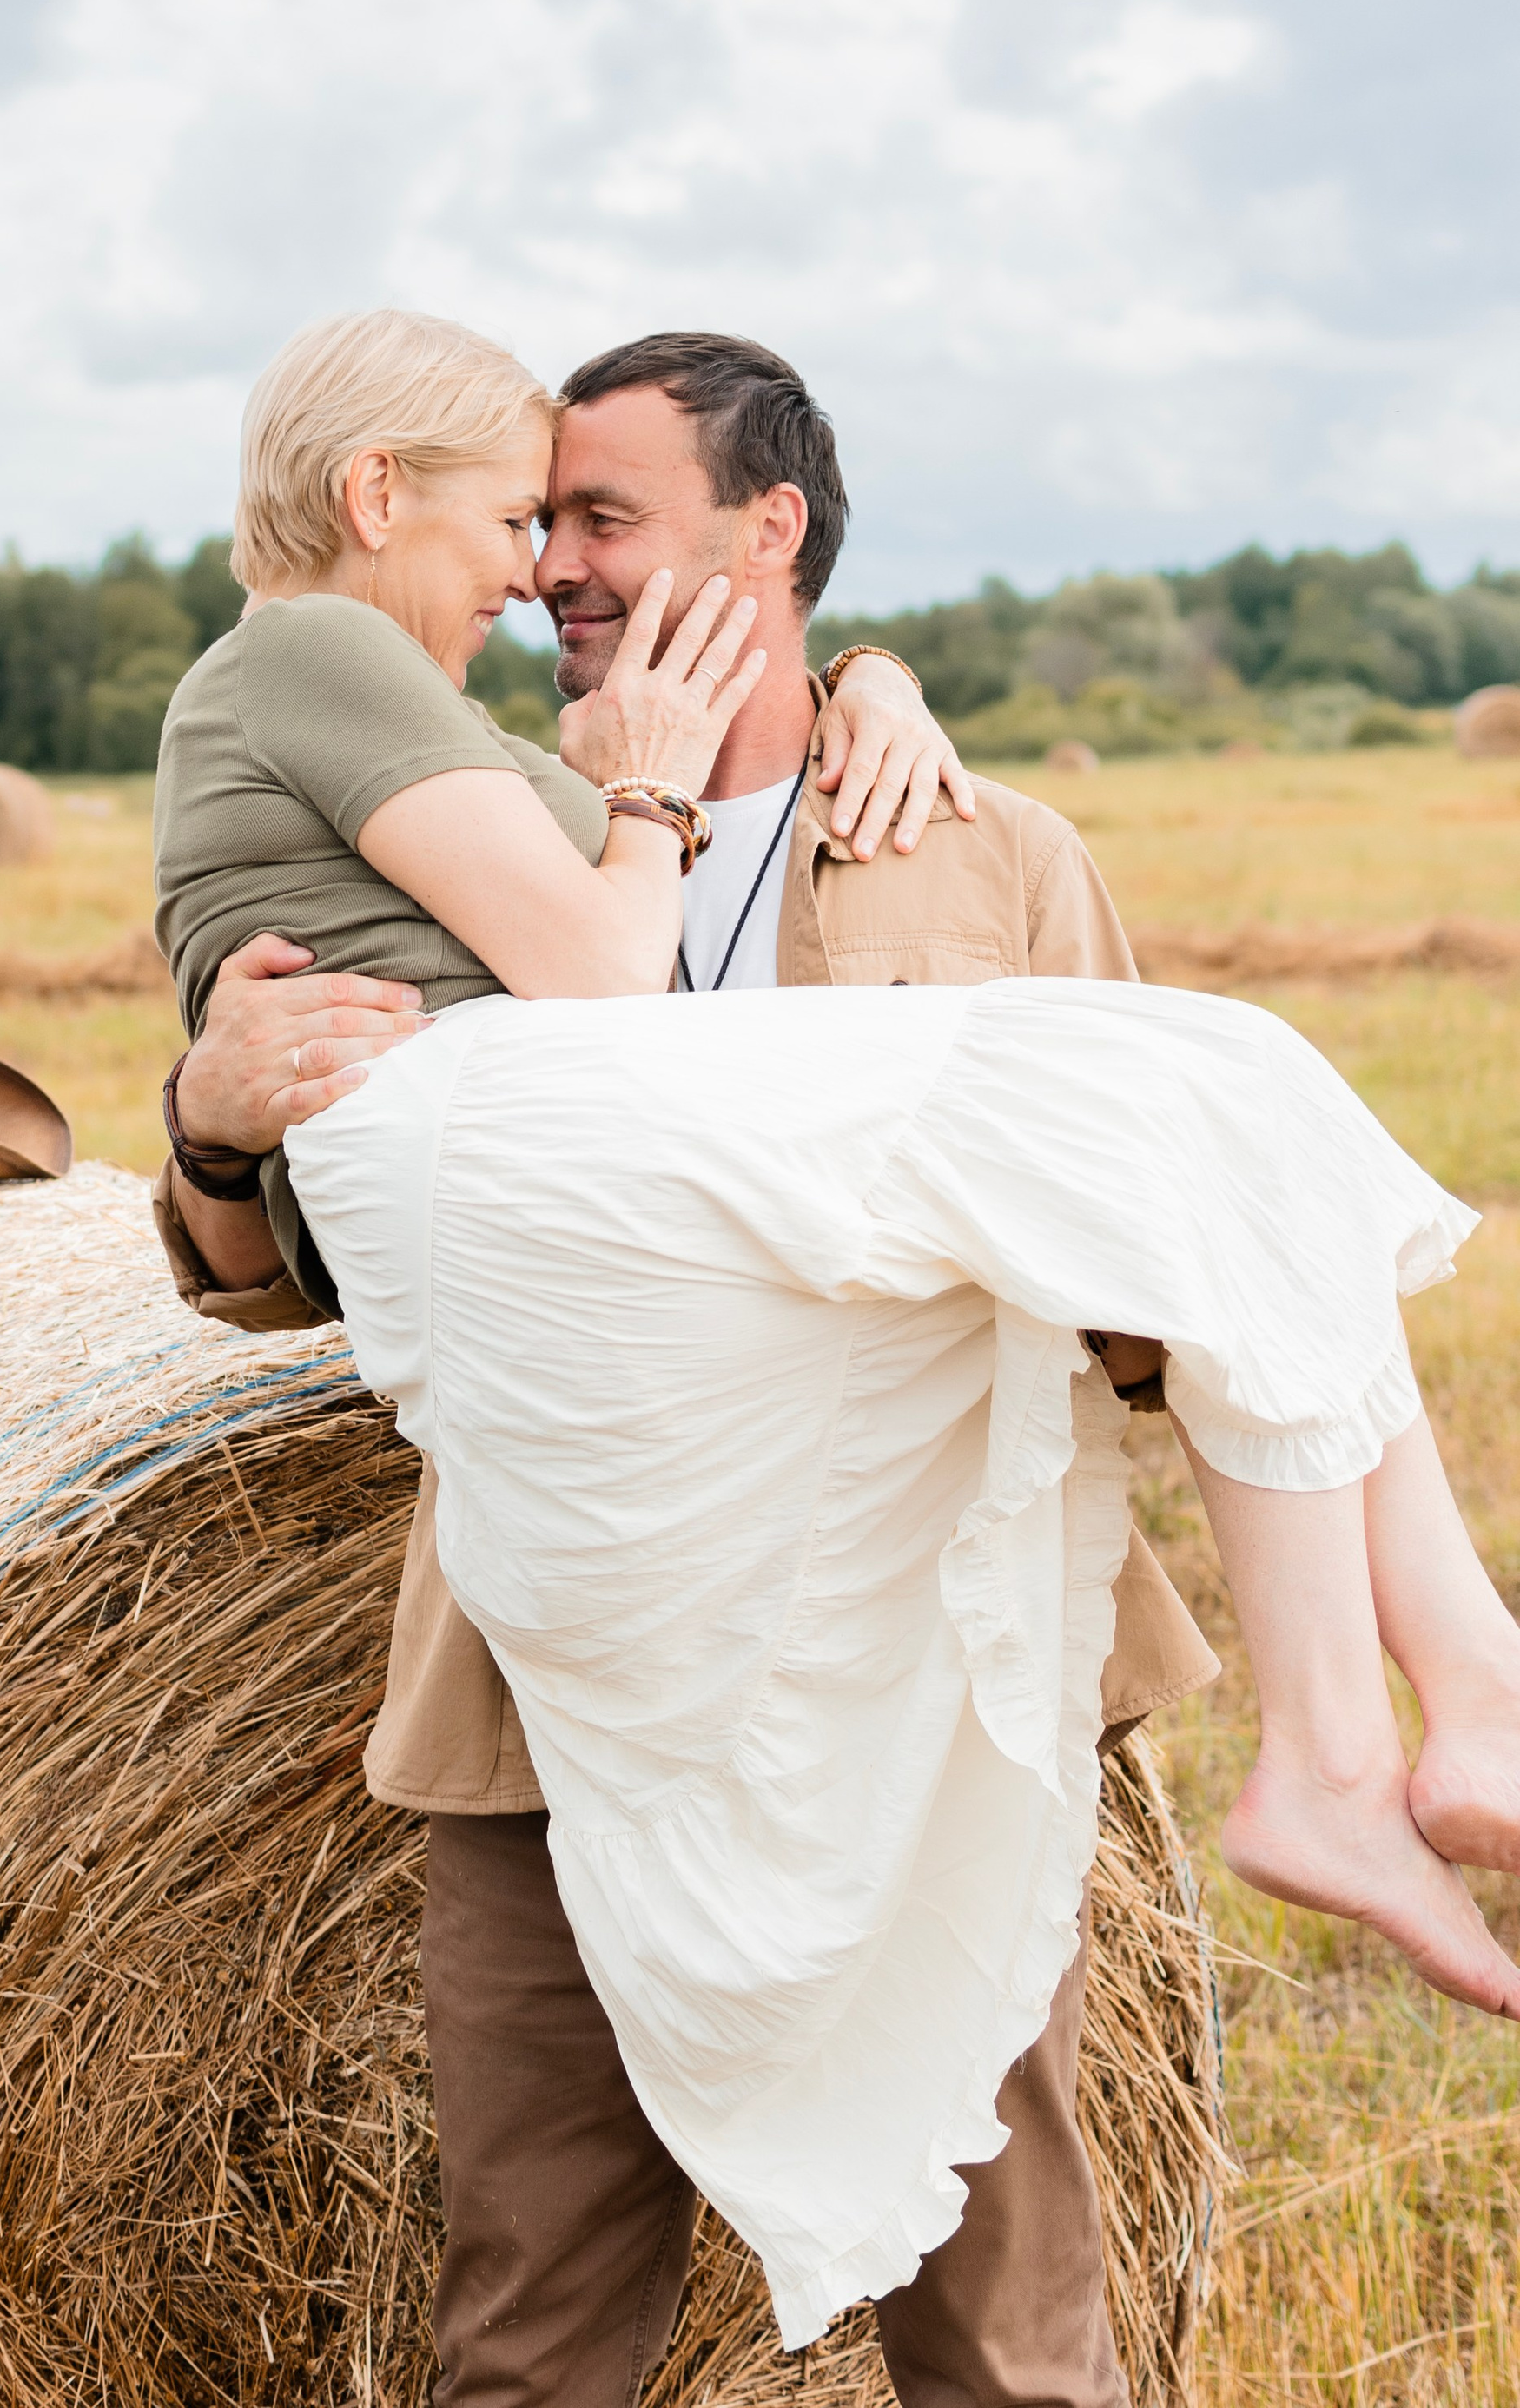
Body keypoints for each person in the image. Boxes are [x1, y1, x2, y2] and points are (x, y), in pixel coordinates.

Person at [150, 313, 1519, 2391]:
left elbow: (1179, 1297)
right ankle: (1422, 1709)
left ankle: (1405, 1716)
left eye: (600, 516)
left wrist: (862, 701)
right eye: (534, 519)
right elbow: (295, 1269)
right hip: (555, 1681)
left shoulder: (983, 845)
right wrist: (206, 1124)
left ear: (769, 528)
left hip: (932, 1671)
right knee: (531, 2320)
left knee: (1000, 2327)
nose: (552, 570)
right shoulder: (470, 788)